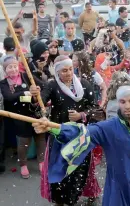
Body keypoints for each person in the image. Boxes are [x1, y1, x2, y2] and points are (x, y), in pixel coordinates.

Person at [29, 55, 100, 206]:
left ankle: (80, 194)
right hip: (59, 135)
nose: (68, 73)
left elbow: (97, 109)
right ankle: (61, 199)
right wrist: (35, 97)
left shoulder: (85, 84)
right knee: (60, 168)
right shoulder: (52, 85)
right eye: (63, 71)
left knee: (80, 167)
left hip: (80, 135)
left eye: (70, 69)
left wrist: (82, 115)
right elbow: (40, 106)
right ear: (57, 72)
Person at [0, 56, 46, 179]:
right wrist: (23, 94)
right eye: (10, 67)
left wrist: (37, 91)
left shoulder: (26, 76)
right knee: (23, 142)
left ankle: (42, 162)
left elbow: (43, 85)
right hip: (19, 116)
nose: (13, 69)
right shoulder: (3, 83)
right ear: (5, 70)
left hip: (35, 112)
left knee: (40, 138)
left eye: (15, 66)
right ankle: (23, 164)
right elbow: (9, 98)